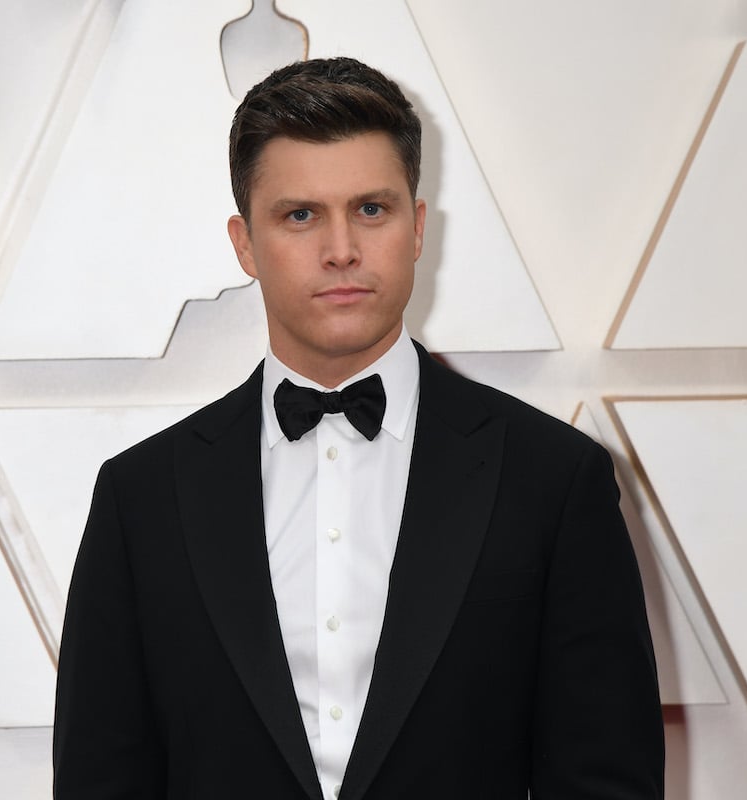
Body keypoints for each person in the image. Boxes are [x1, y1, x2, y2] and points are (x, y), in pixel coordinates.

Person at [53, 57, 663, 799]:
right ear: (245, 244)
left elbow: (605, 778)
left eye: (371, 209)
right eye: (300, 215)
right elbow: (99, 780)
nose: (341, 248)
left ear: (417, 228)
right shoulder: (141, 498)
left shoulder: (554, 481)